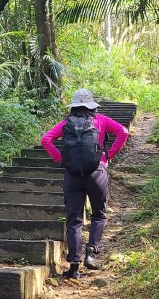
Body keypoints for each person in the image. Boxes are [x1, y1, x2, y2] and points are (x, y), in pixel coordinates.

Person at [40, 89, 129, 280]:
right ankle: (91, 252)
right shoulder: (101, 120)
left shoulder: (66, 123)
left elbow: (45, 139)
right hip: (97, 172)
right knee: (99, 214)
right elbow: (123, 131)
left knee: (74, 221)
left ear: (73, 106)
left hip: (72, 175)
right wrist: (108, 156)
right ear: (91, 105)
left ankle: (74, 266)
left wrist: (60, 158)